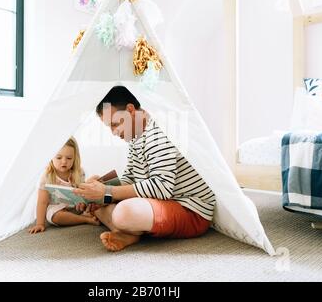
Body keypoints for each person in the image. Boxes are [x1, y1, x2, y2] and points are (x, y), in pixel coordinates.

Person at [74, 86, 216, 251]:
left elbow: (162, 187)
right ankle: (129, 231)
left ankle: (128, 228)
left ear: (130, 110)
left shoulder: (157, 133)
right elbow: (130, 177)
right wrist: (98, 190)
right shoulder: (137, 136)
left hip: (191, 210)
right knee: (100, 206)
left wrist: (107, 192)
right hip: (164, 202)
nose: (113, 132)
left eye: (114, 124)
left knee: (122, 213)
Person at [29, 137, 99, 234]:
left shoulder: (79, 172)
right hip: (57, 209)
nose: (64, 161)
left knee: (95, 190)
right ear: (51, 157)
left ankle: (83, 215)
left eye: (69, 158)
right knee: (54, 216)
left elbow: (81, 194)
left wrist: (83, 203)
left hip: (75, 207)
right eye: (59, 157)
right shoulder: (47, 176)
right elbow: (42, 202)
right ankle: (84, 219)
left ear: (75, 158)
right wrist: (40, 223)